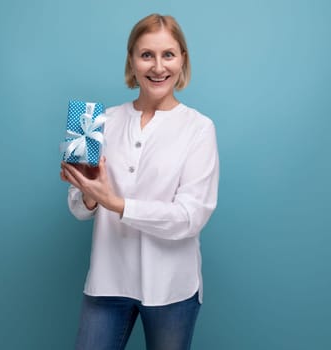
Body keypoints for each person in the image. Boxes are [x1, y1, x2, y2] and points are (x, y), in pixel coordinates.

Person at [60, 13, 219, 350]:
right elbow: (78, 206)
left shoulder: (199, 128)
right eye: (147, 54)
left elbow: (190, 218)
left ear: (182, 60)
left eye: (168, 55)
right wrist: (88, 193)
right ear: (131, 60)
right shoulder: (100, 121)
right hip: (108, 280)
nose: (158, 66)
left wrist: (115, 203)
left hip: (171, 287)